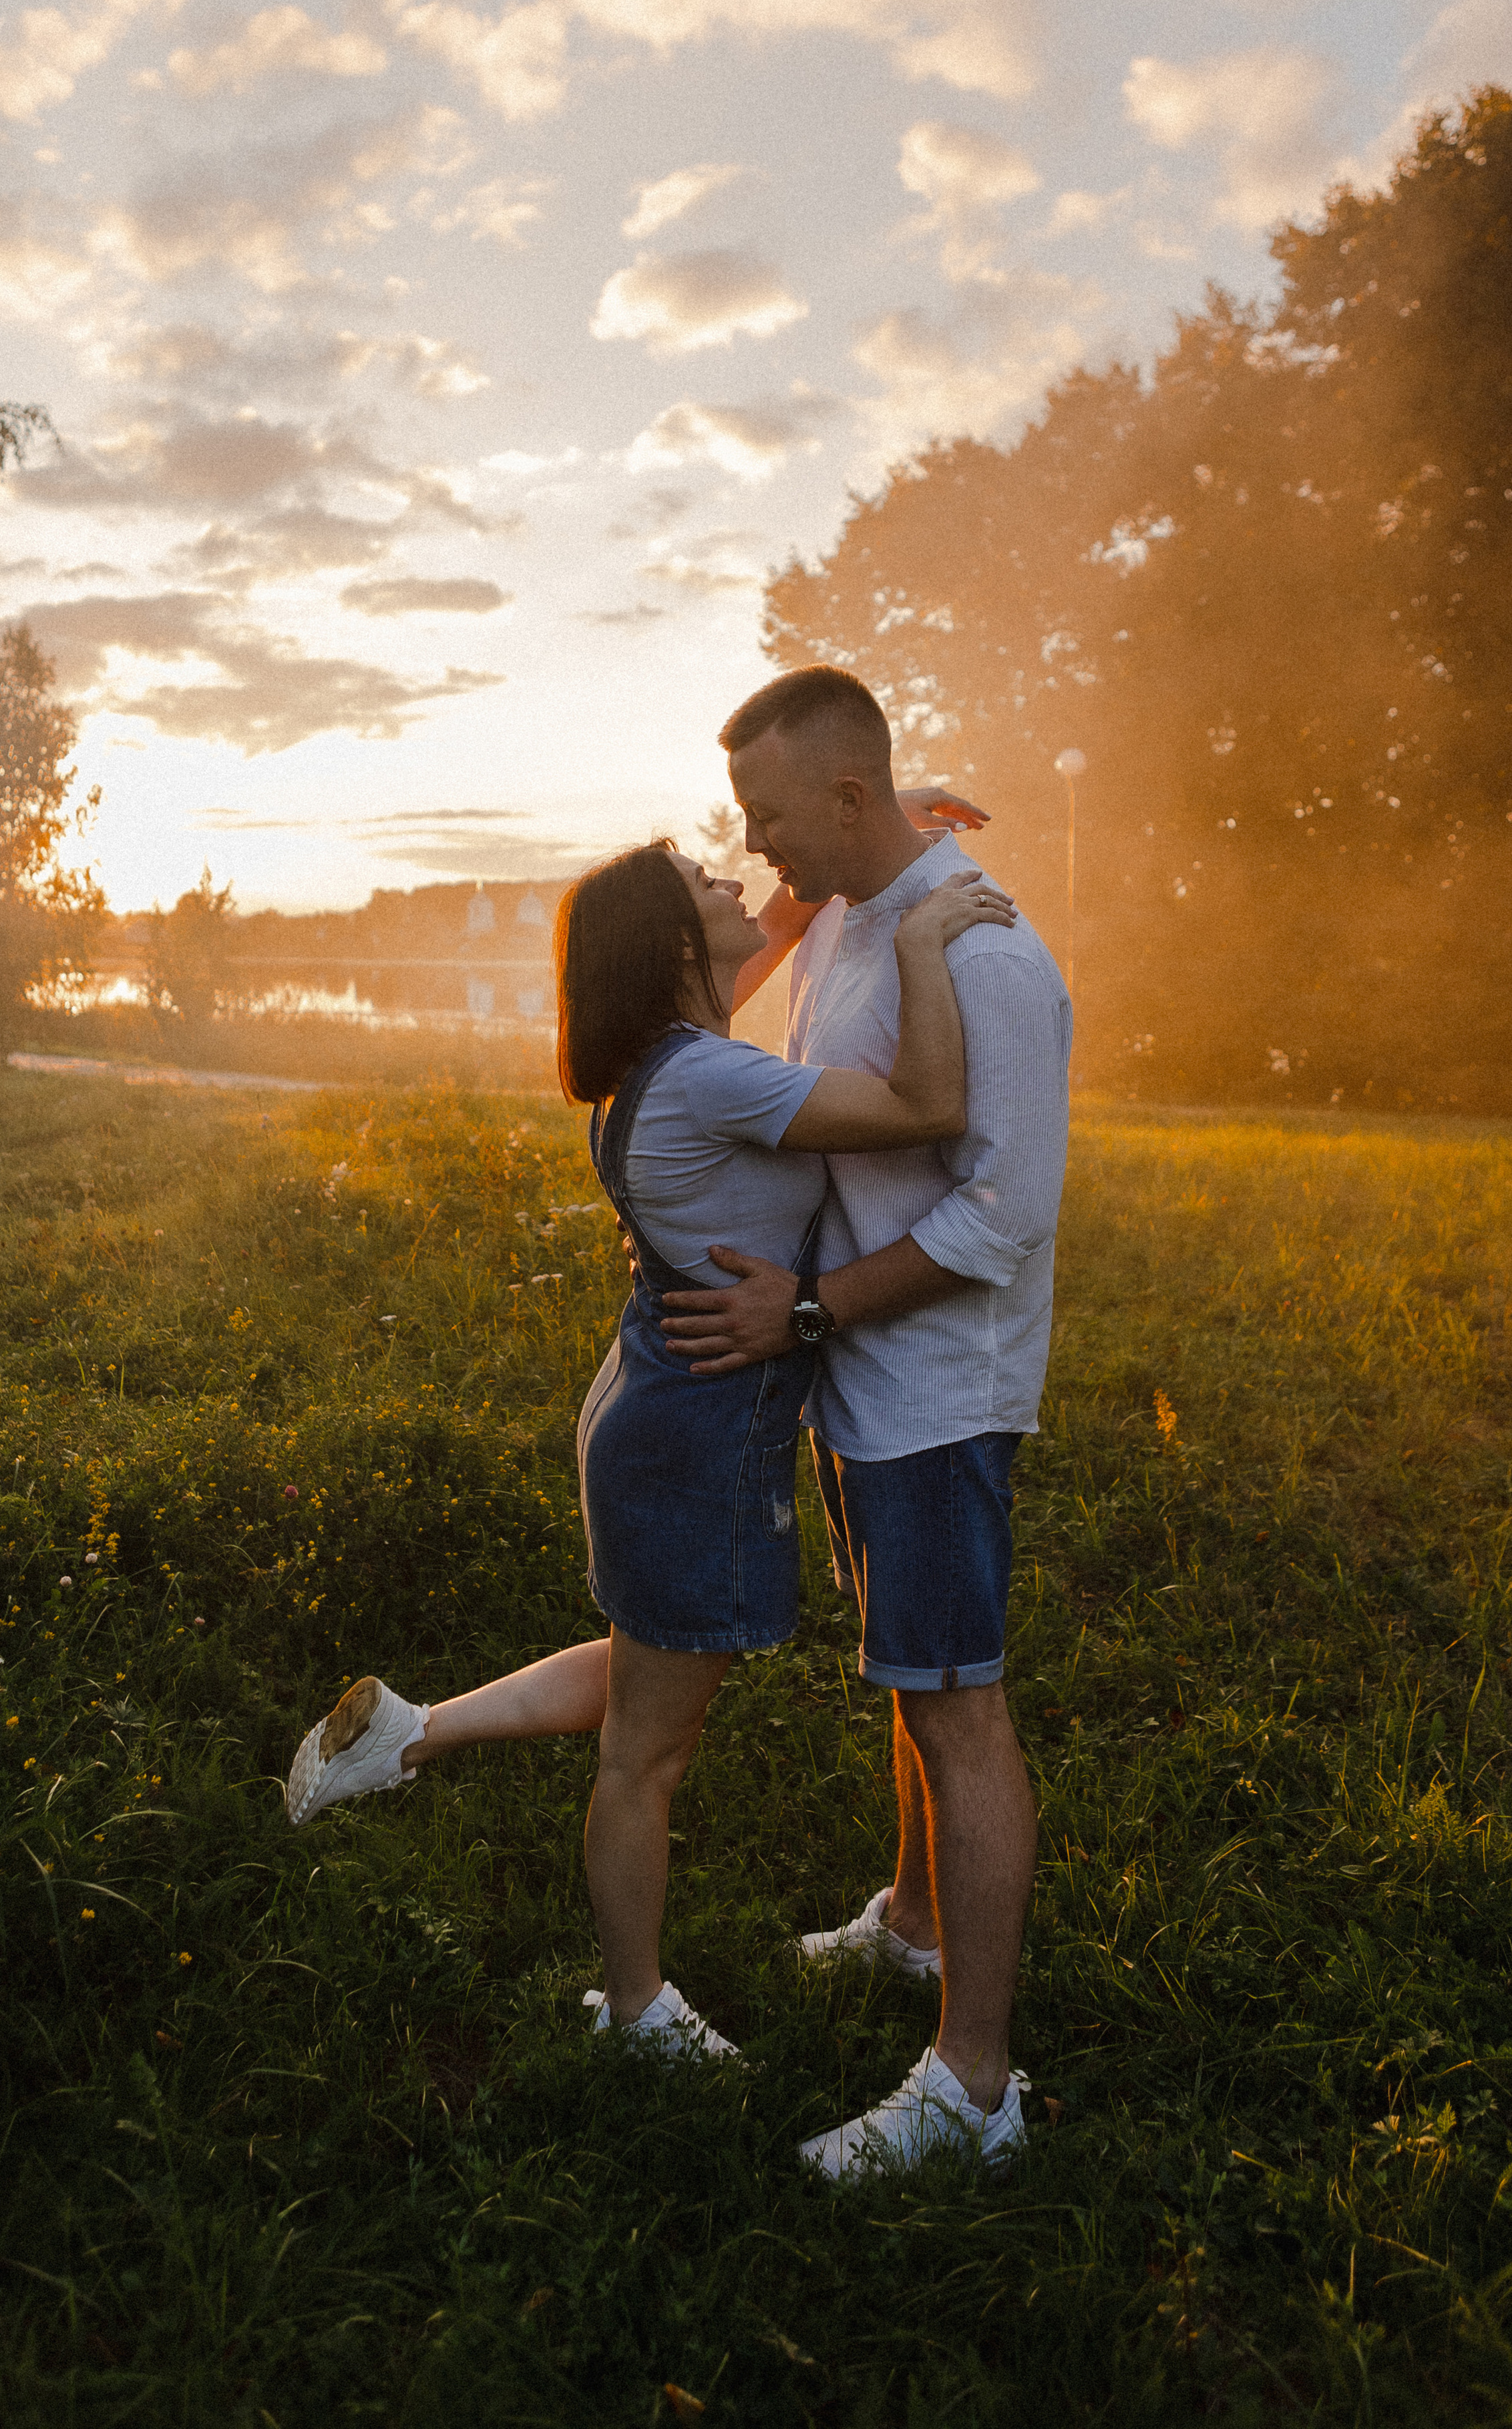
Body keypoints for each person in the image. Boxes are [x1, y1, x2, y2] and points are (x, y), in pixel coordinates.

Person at [285, 834, 1015, 2062]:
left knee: (647, 1671)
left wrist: (874, 833)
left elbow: (765, 931)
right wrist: (921, 936)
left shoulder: (662, 1057)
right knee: (646, 1755)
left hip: (648, 1405)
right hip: (695, 1437)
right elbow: (929, 1105)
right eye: (704, 884)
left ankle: (409, 1735)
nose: (739, 881)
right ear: (675, 946)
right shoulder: (709, 1079)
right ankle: (634, 2013)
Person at [661, 665, 1072, 2182]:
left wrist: (812, 1311)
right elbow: (746, 990)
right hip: (865, 1388)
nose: (756, 845)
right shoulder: (851, 911)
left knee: (959, 1706)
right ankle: (911, 1922)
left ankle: (971, 2089)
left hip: (938, 1397)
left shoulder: (990, 959)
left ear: (844, 799)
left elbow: (998, 1220)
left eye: (770, 816)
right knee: (910, 1678)